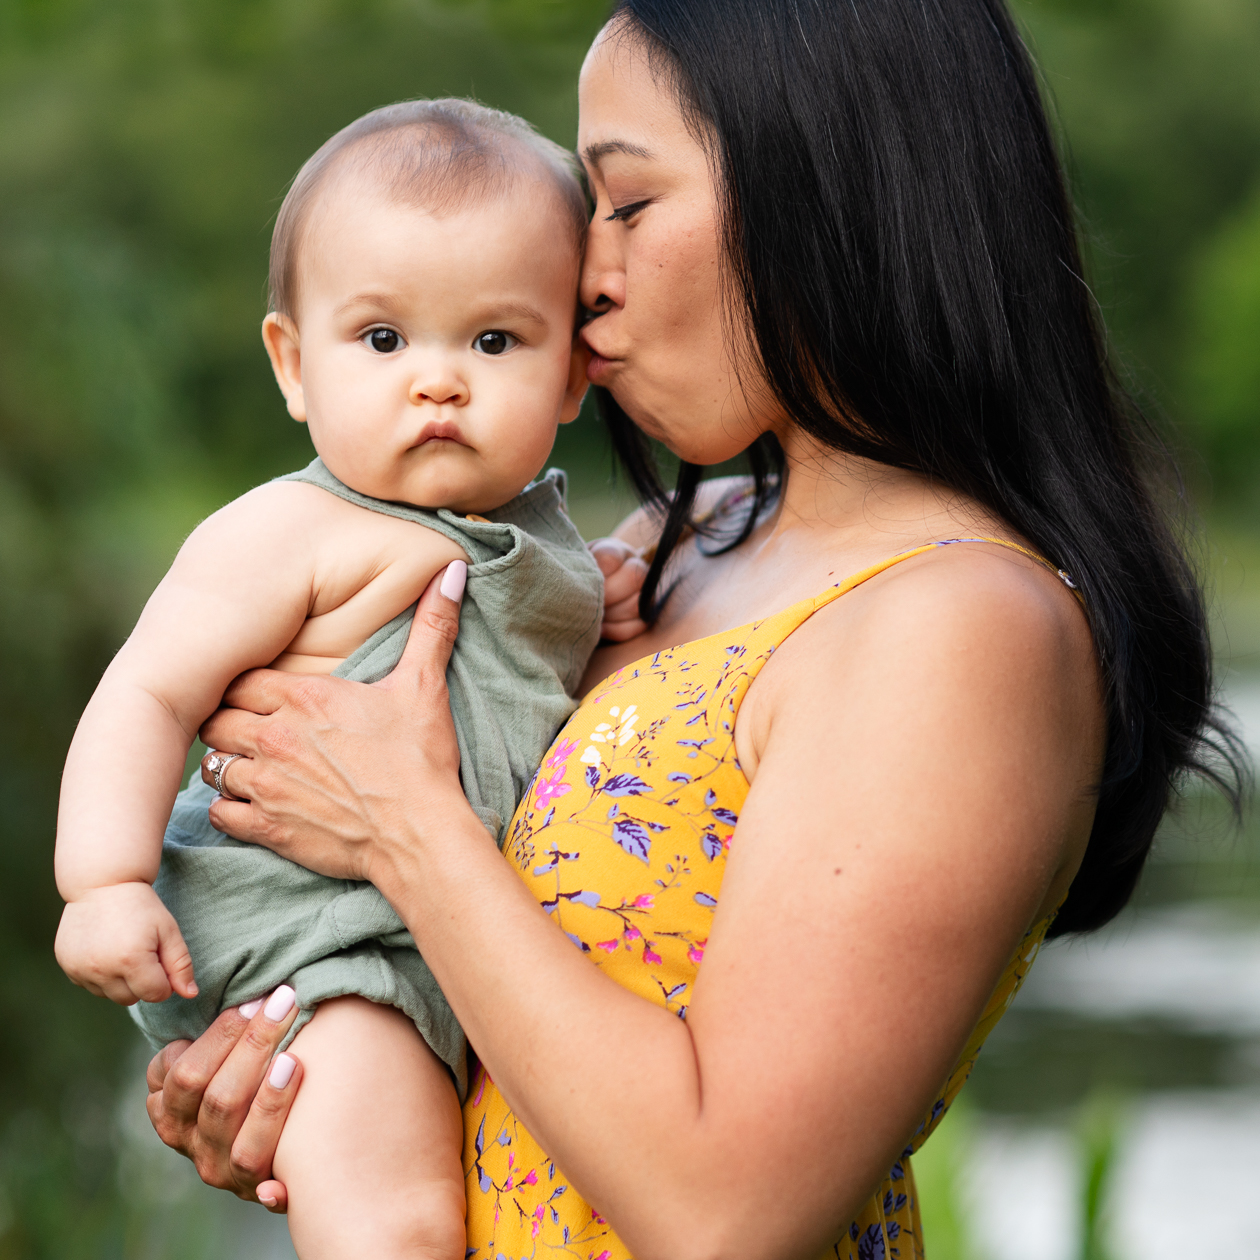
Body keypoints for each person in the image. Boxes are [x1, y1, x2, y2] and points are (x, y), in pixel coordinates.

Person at [142, 2, 1247, 1257]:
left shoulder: (959, 625)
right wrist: (302, 1058)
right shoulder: (673, 545)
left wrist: (406, 830)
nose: (582, 269)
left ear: (823, 188)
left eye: (624, 204)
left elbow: (730, 1211)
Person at [53, 98, 651, 1260]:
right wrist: (105, 883)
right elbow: (147, 694)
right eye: (384, 341)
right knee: (402, 1225)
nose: (439, 383)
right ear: (292, 362)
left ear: (576, 376)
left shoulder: (551, 542)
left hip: (450, 937)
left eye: (494, 342)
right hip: (320, 947)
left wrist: (596, 616)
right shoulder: (288, 532)